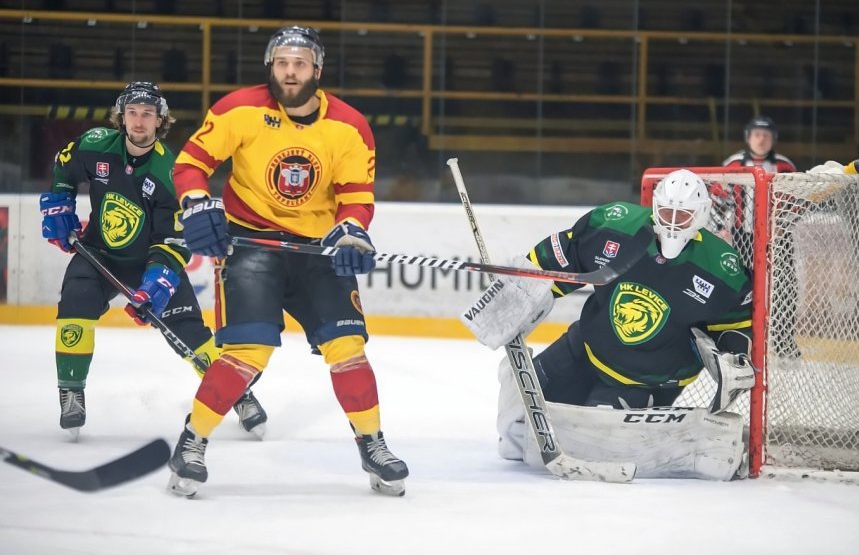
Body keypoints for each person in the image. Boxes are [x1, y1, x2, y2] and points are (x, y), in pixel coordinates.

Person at [168, 25, 408, 497]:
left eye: (299, 63)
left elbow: (356, 196)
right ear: (271, 67)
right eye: (282, 63)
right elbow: (191, 163)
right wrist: (196, 202)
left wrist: (352, 230)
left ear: (317, 70)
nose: (290, 71)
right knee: (247, 353)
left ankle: (372, 443)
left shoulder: (349, 125)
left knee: (348, 347)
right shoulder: (238, 109)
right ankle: (191, 443)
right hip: (251, 244)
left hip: (315, 249)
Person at [459, 169, 756, 479]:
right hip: (584, 350)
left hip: (645, 380)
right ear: (654, 206)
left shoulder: (720, 266)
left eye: (682, 216)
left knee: (590, 441)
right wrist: (517, 294)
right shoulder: (614, 226)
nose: (671, 222)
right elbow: (563, 256)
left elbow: (735, 321)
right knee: (516, 416)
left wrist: (733, 355)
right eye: (667, 212)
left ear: (701, 215)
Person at [40, 82, 267, 441]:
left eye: (148, 114)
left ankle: (238, 394)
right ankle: (71, 392)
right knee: (74, 305)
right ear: (122, 116)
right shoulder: (95, 144)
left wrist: (156, 283)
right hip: (98, 253)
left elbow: (173, 240)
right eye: (132, 113)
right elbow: (63, 169)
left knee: (190, 333)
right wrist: (59, 203)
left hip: (150, 260)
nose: (139, 121)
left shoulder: (169, 171)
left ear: (160, 120)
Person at [722, 116, 796, 173]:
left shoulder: (784, 165)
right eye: (757, 135)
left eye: (766, 135)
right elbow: (718, 191)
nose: (762, 140)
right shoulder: (734, 164)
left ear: (773, 139)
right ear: (748, 138)